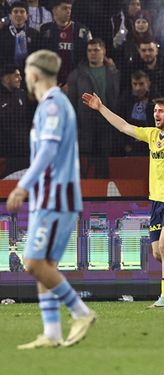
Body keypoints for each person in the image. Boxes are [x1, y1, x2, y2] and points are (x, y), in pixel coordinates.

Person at [6, 49, 96, 349]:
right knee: (45, 265)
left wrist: (22, 186)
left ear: (33, 75)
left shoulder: (53, 106)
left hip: (55, 198)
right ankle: (52, 333)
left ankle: (80, 312)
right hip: (52, 197)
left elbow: (47, 152)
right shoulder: (53, 105)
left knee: (32, 263)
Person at [81, 92, 164, 308]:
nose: (156, 114)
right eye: (155, 110)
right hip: (157, 201)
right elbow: (123, 126)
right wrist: (101, 107)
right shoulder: (151, 135)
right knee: (158, 253)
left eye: (161, 110)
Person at [66, 38, 120, 178]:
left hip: (107, 124)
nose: (92, 53)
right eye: (89, 50)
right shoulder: (77, 74)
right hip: (85, 126)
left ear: (104, 51)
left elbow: (116, 99)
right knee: (85, 163)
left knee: (103, 162)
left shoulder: (113, 73)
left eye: (96, 50)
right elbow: (71, 102)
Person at [39, 0, 92, 87]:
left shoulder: (82, 31)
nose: (68, 11)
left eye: (69, 8)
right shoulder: (45, 30)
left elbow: (87, 58)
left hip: (76, 82)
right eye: (64, 8)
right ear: (55, 10)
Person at [0, 1, 40, 70]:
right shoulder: (2, 34)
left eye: (22, 12)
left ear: (27, 16)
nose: (19, 14)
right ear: (10, 16)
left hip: (28, 74)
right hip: (7, 74)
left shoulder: (35, 34)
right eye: (15, 12)